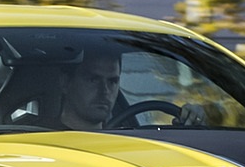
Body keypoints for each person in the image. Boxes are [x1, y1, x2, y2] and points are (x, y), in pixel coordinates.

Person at [53, 48, 204, 130]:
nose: (104, 90)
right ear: (65, 82)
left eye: (112, 81)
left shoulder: (127, 136)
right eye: (93, 80)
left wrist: (190, 123)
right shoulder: (37, 138)